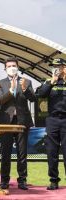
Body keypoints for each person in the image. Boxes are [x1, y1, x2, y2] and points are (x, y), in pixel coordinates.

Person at [0, 57, 37, 190]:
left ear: (18, 67)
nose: (11, 68)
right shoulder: (1, 83)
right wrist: (11, 90)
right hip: (6, 121)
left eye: (14, 65)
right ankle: (4, 180)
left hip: (22, 120)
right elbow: (0, 100)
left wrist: (25, 89)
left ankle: (22, 180)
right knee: (5, 152)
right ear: (5, 68)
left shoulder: (26, 81)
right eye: (9, 66)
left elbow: (33, 98)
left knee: (22, 152)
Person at [37, 58, 66, 190]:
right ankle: (54, 180)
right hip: (52, 120)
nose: (56, 69)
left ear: (64, 67)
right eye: (54, 67)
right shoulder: (48, 82)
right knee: (52, 152)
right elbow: (41, 95)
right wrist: (52, 82)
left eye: (59, 66)